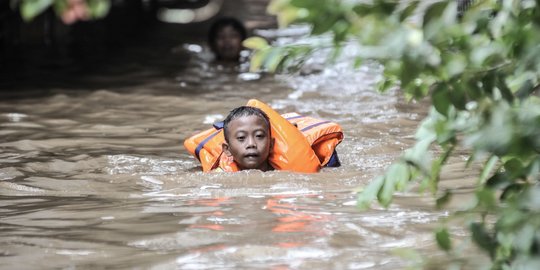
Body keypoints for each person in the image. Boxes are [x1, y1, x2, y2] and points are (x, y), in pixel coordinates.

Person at [220, 106, 274, 171]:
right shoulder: (217, 178)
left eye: (259, 136)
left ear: (271, 144)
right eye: (241, 137)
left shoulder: (287, 172)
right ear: (227, 149)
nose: (251, 144)